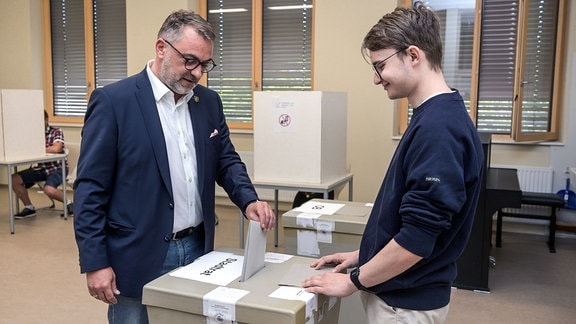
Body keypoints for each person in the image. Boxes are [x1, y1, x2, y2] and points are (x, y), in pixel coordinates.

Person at [73, 10, 275, 324]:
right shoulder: (114, 102)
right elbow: (90, 189)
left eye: (205, 64)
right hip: (138, 254)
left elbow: (226, 159)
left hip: (198, 248)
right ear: (161, 48)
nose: (196, 73)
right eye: (189, 60)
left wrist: (249, 199)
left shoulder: (208, 102)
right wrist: (95, 262)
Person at [301, 2, 484, 323]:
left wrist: (353, 281)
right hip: (403, 292)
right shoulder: (436, 115)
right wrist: (365, 256)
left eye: (380, 66)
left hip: (406, 304)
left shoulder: (439, 129)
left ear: (413, 55)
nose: (376, 79)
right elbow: (409, 221)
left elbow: (417, 239)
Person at [12, 110, 73, 219]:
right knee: (14, 179)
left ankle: (69, 203)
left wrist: (38, 149)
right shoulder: (33, 134)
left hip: (57, 168)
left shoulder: (56, 131)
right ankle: (29, 208)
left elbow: (57, 148)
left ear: (46, 120)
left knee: (48, 189)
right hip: (40, 168)